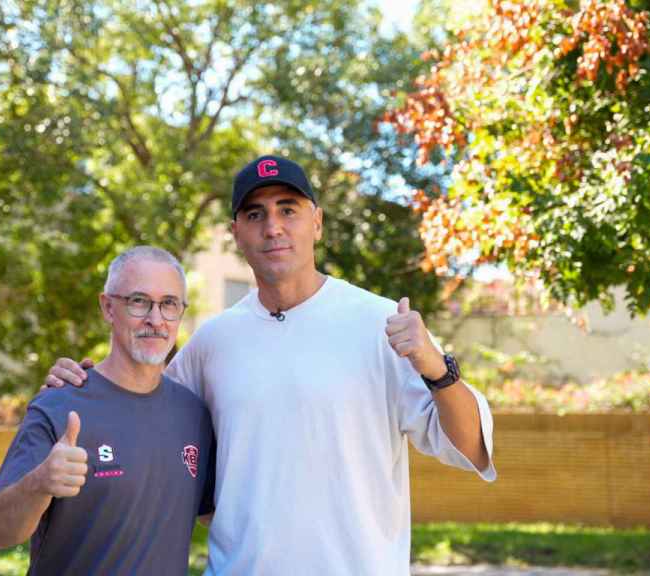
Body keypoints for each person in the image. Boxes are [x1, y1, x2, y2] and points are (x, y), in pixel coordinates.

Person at [46, 155, 496, 574]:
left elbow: (472, 448)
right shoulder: (213, 341)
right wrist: (80, 385)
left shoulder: (383, 324)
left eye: (288, 209)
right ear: (236, 233)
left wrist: (437, 368)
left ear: (317, 222)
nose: (273, 227)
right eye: (255, 214)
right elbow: (141, 408)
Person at [0, 246, 215, 575]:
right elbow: (0, 533)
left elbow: (215, 515)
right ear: (108, 307)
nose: (155, 319)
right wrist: (40, 482)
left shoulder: (194, 414)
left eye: (169, 304)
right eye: (139, 301)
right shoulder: (58, 405)